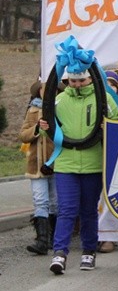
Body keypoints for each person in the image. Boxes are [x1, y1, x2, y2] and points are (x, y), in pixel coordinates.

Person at [40, 54, 118, 275]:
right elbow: (48, 128)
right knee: (66, 209)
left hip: (94, 163)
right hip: (66, 163)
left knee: (88, 211)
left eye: (81, 80)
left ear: (90, 78)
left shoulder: (103, 97)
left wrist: (108, 130)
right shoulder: (59, 100)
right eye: (73, 80)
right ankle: (60, 254)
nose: (76, 84)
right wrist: (43, 125)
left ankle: (88, 251)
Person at [19, 80, 57, 255]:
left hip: (56, 164)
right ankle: (42, 240)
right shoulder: (32, 110)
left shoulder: (60, 108)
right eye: (44, 88)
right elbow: (23, 135)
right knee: (40, 200)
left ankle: (54, 238)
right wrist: (36, 128)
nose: (47, 92)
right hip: (36, 165)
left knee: (55, 202)